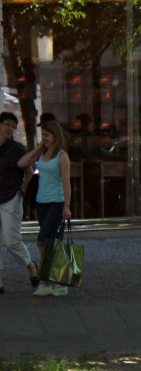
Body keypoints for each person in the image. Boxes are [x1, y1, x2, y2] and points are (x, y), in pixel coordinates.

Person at [18, 120, 72, 297]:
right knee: (52, 242)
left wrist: (67, 205)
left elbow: (66, 182)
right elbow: (22, 163)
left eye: (47, 135)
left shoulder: (61, 156)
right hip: (41, 202)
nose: (45, 139)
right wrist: (38, 148)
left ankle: (49, 280)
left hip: (56, 202)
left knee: (42, 240)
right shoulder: (42, 154)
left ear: (55, 136)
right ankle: (55, 282)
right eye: (43, 136)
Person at [0, 111, 39, 293]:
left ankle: (30, 265)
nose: (10, 128)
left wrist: (21, 190)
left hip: (10, 197)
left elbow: (29, 172)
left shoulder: (17, 148)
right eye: (7, 124)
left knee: (11, 241)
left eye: (13, 126)